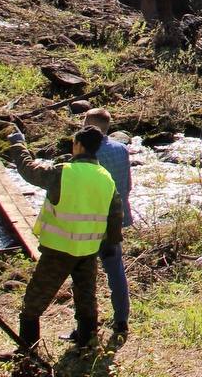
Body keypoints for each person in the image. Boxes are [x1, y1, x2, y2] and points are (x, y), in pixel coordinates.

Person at [6, 125, 122, 351]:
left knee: (34, 300)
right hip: (88, 248)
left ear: (78, 145)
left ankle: (27, 349)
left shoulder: (63, 171)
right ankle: (87, 341)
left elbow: (28, 170)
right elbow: (115, 213)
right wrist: (111, 243)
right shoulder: (106, 177)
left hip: (59, 249)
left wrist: (18, 144)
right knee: (86, 296)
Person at [82, 107, 132, 338]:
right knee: (116, 271)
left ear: (88, 125)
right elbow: (127, 187)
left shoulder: (85, 153)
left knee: (84, 275)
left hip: (88, 223)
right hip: (113, 222)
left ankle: (86, 326)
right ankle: (121, 321)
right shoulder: (122, 149)